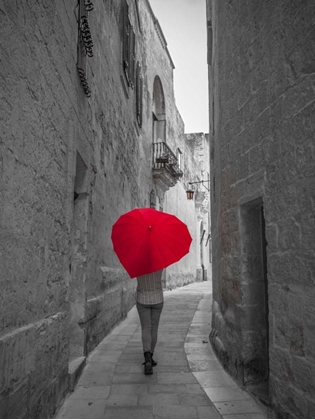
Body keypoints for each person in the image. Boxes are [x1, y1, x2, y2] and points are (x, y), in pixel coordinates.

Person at [136, 269, 164, 375]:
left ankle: (147, 357)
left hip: (142, 299)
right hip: (157, 298)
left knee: (146, 327)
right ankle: (151, 356)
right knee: (154, 327)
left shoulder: (137, 263)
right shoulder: (159, 264)